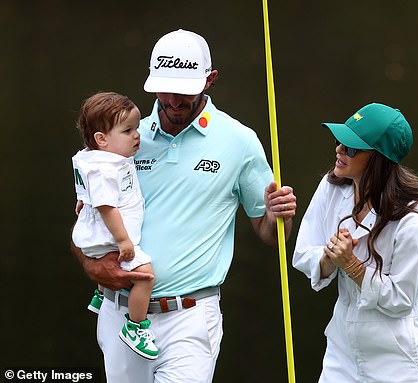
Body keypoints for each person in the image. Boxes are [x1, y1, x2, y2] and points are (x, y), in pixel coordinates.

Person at [71, 29, 297, 382]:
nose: (173, 100)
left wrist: (276, 215)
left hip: (190, 318)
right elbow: (86, 223)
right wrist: (89, 264)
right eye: (165, 88)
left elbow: (270, 235)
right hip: (121, 315)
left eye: (185, 91)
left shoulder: (239, 140)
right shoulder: (123, 139)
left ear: (210, 80)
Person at [292, 103, 418, 382]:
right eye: (339, 141)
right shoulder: (332, 187)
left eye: (352, 148)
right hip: (342, 354)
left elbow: (400, 300)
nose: (339, 151)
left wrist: (352, 265)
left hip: (401, 361)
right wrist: (329, 258)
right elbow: (304, 253)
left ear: (379, 159)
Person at [72, 91, 158, 360]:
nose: (136, 135)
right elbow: (107, 207)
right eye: (128, 130)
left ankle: (100, 294)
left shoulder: (94, 157)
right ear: (102, 139)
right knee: (145, 276)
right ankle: (135, 326)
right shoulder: (106, 169)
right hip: (109, 239)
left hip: (93, 235)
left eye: (137, 127)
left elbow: (86, 190)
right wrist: (124, 241)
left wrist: (82, 199)